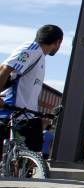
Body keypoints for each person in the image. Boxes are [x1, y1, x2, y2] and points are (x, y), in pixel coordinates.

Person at [0, 25, 64, 153]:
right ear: (57, 42)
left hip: (28, 115)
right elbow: (5, 68)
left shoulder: (41, 58)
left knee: (32, 156)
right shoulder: (32, 48)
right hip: (10, 112)